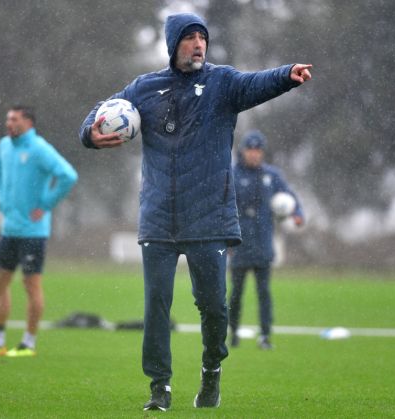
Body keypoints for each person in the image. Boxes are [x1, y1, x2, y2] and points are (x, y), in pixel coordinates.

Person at [79, 13, 312, 411]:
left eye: (202, 37)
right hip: (158, 218)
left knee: (214, 306)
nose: (198, 44)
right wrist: (89, 132)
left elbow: (257, 82)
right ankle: (160, 387)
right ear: (173, 45)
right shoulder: (145, 88)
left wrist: (287, 74)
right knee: (157, 303)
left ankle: (211, 371)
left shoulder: (223, 83)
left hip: (209, 218)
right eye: (189, 38)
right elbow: (104, 108)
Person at [0, 105, 78, 357]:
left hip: (33, 232)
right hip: (10, 230)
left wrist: (46, 204)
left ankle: (28, 343)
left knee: (31, 284)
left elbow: (68, 175)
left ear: (28, 122)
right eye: (7, 118)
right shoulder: (4, 146)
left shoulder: (39, 149)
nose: (9, 123)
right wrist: (3, 199)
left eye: (14, 119)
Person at [229, 130, 304, 351]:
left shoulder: (272, 176)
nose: (254, 154)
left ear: (262, 153)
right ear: (242, 151)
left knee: (264, 294)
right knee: (235, 294)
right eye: (250, 150)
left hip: (263, 244)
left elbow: (290, 198)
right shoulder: (232, 175)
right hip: (239, 245)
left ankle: (265, 336)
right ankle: (232, 331)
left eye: (258, 150)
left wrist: (297, 213)